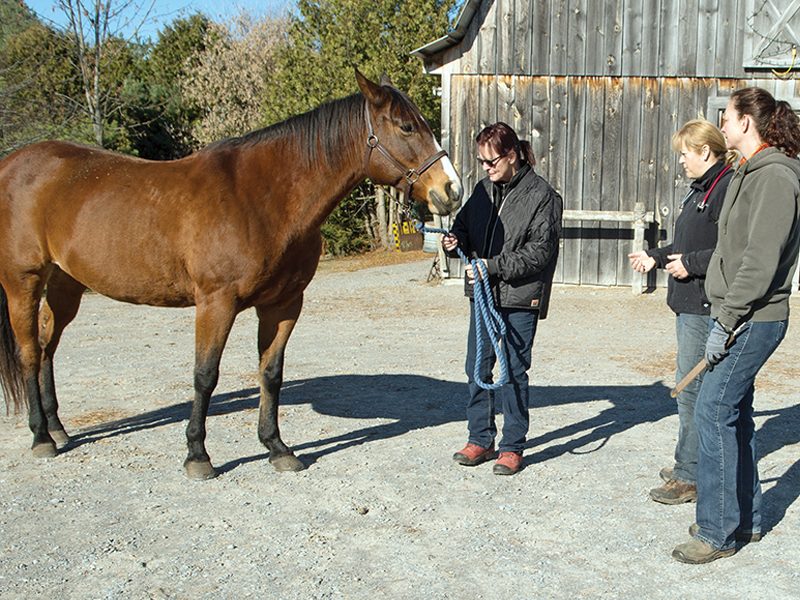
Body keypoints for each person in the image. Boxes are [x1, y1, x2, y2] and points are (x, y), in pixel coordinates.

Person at [672, 88, 800, 564]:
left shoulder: (774, 178)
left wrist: (724, 321)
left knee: (711, 412)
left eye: (726, 116)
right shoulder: (751, 173)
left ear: (747, 122)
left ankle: (717, 530)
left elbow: (759, 261)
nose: (720, 124)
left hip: (752, 317)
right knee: (734, 415)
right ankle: (742, 519)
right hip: (739, 314)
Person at [442, 122, 562, 476]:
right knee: (476, 368)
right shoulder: (482, 191)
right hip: (483, 294)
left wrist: (491, 267)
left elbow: (540, 253)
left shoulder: (543, 197)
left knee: (512, 371)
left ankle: (512, 446)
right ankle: (480, 437)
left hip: (519, 297)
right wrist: (454, 242)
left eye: (491, 161)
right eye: (481, 161)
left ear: (512, 157)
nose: (485, 168)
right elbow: (463, 228)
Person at [629, 120, 734, 505]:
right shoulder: (701, 190)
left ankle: (689, 475)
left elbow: (730, 250)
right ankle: (689, 462)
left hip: (704, 305)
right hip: (689, 303)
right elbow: (686, 242)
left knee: (690, 391)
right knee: (689, 390)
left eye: (685, 154)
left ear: (705, 151)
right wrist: (655, 258)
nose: (681, 162)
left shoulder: (724, 190)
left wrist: (690, 264)